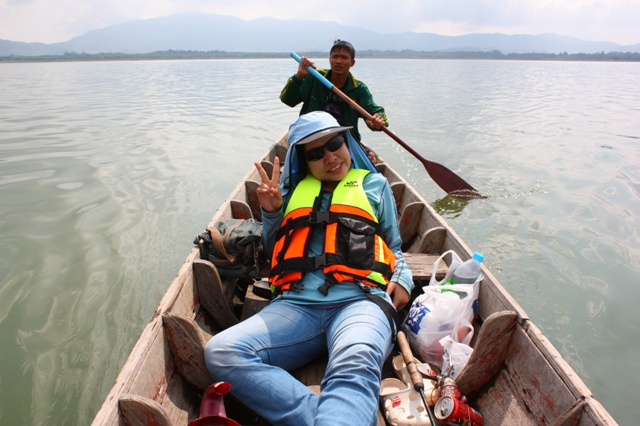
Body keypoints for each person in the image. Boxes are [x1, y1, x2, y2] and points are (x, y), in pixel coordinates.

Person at [205, 111, 413, 426]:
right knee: (222, 352)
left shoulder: (376, 185)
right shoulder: (290, 191)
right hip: (296, 306)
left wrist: (403, 278)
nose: (330, 156)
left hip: (361, 301)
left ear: (347, 141)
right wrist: (272, 211)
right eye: (316, 153)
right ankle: (327, 416)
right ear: (304, 161)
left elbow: (394, 247)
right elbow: (276, 252)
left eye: (335, 143)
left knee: (356, 361)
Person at [280, 39, 388, 144]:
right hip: (310, 137)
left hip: (344, 141)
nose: (338, 61)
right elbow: (288, 100)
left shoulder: (359, 89)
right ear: (329, 59)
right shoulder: (314, 77)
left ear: (352, 63)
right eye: (335, 56)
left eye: (344, 58)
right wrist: (300, 76)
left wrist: (376, 122)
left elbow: (377, 114)